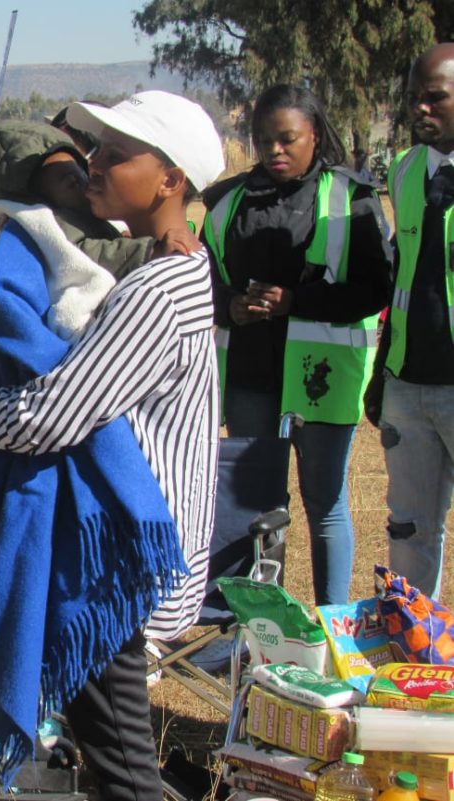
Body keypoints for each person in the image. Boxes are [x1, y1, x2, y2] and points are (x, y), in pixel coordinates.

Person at [0, 90, 225, 801]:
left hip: (114, 569)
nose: (93, 164)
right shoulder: (183, 268)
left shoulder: (154, 292)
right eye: (94, 149)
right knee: (114, 757)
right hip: (133, 555)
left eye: (117, 154)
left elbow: (54, 415)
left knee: (122, 766)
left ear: (171, 180)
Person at [203, 84, 392, 607]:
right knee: (256, 504)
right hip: (251, 374)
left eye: (287, 140)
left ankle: (332, 626)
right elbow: (202, 279)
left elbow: (375, 289)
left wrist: (295, 301)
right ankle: (264, 630)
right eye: (264, 141)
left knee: (324, 501)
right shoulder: (226, 203)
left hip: (322, 378)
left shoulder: (350, 199)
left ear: (315, 136)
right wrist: (231, 307)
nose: (274, 151)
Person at [365, 42, 454, 600]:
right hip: (408, 382)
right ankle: (415, 662)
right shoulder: (404, 168)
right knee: (410, 530)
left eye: (436, 98)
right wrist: (381, 374)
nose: (420, 109)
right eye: (414, 98)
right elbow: (405, 273)